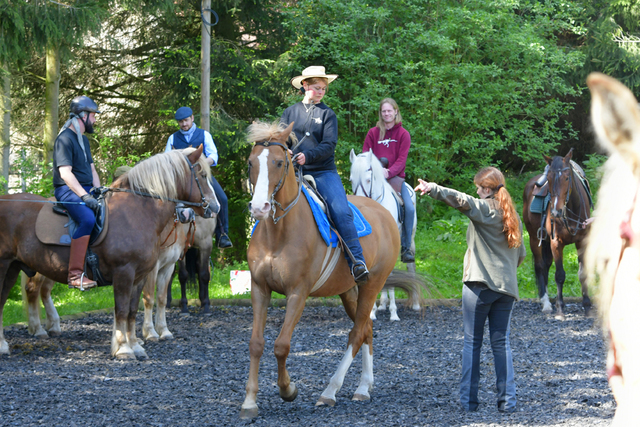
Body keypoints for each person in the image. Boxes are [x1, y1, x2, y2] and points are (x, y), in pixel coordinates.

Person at [414, 167, 526, 413]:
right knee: (502, 345)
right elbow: (521, 255)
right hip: (506, 290)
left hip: (479, 287)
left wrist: (433, 188)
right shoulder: (512, 215)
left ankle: (469, 403)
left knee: (472, 343)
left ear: (487, 189)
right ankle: (508, 403)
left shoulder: (484, 209)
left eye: (479, 187)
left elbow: (460, 200)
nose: (476, 190)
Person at [281, 65, 369, 283]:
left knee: (340, 211)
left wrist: (307, 156)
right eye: (317, 88)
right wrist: (286, 149)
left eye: (323, 89)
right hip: (293, 172)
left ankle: (357, 262)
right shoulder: (289, 112)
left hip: (322, 172)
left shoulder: (328, 114)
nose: (321, 92)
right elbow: (280, 138)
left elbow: (329, 145)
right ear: (305, 86)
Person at [53, 96, 102, 290]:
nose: (95, 120)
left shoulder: (84, 141)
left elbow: (92, 170)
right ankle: (75, 275)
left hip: (86, 189)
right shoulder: (64, 139)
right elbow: (65, 174)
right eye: (93, 116)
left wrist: (97, 190)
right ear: (83, 116)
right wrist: (85, 196)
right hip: (67, 190)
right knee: (88, 220)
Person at [165, 106, 232, 249]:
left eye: (186, 120)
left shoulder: (204, 134)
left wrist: (200, 163)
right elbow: (167, 161)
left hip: (201, 175)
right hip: (182, 180)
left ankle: (223, 235)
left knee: (223, 199)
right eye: (180, 122)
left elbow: (214, 156)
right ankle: (166, 237)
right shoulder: (172, 138)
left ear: (192, 118)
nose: (184, 124)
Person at [363, 98, 415, 262]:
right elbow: (366, 154)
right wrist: (375, 170)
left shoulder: (403, 134)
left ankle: (406, 247)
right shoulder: (373, 133)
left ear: (395, 112)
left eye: (389, 111)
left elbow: (401, 160)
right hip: (374, 179)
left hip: (396, 179)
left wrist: (389, 172)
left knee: (410, 208)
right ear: (381, 113)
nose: (386, 114)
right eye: (383, 111)